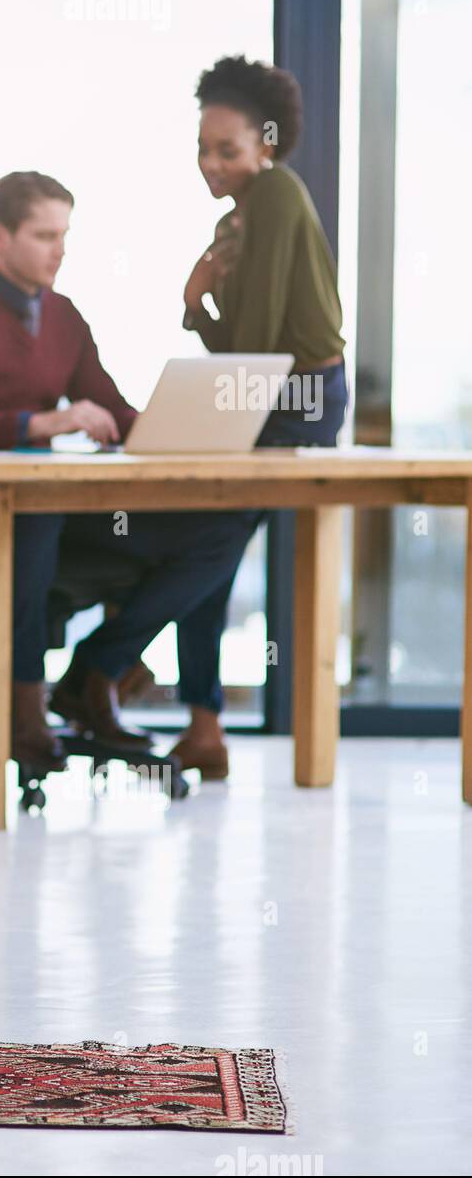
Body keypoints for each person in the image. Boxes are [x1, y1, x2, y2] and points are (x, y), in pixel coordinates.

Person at [0, 171, 255, 773]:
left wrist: (178, 424)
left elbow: (112, 412)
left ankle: (98, 668)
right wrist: (40, 424)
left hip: (46, 507)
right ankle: (24, 710)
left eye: (64, 234)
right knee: (37, 516)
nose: (59, 250)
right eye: (44, 235)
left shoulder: (64, 317)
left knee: (223, 521)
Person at [172, 55, 350, 780]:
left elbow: (252, 350)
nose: (212, 165)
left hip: (300, 401)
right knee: (202, 543)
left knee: (203, 542)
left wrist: (201, 303)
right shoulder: (237, 217)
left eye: (229, 150)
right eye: (204, 150)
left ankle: (121, 673)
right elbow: (240, 349)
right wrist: (198, 303)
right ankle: (197, 720)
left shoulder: (274, 195)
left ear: (266, 146)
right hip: (265, 393)